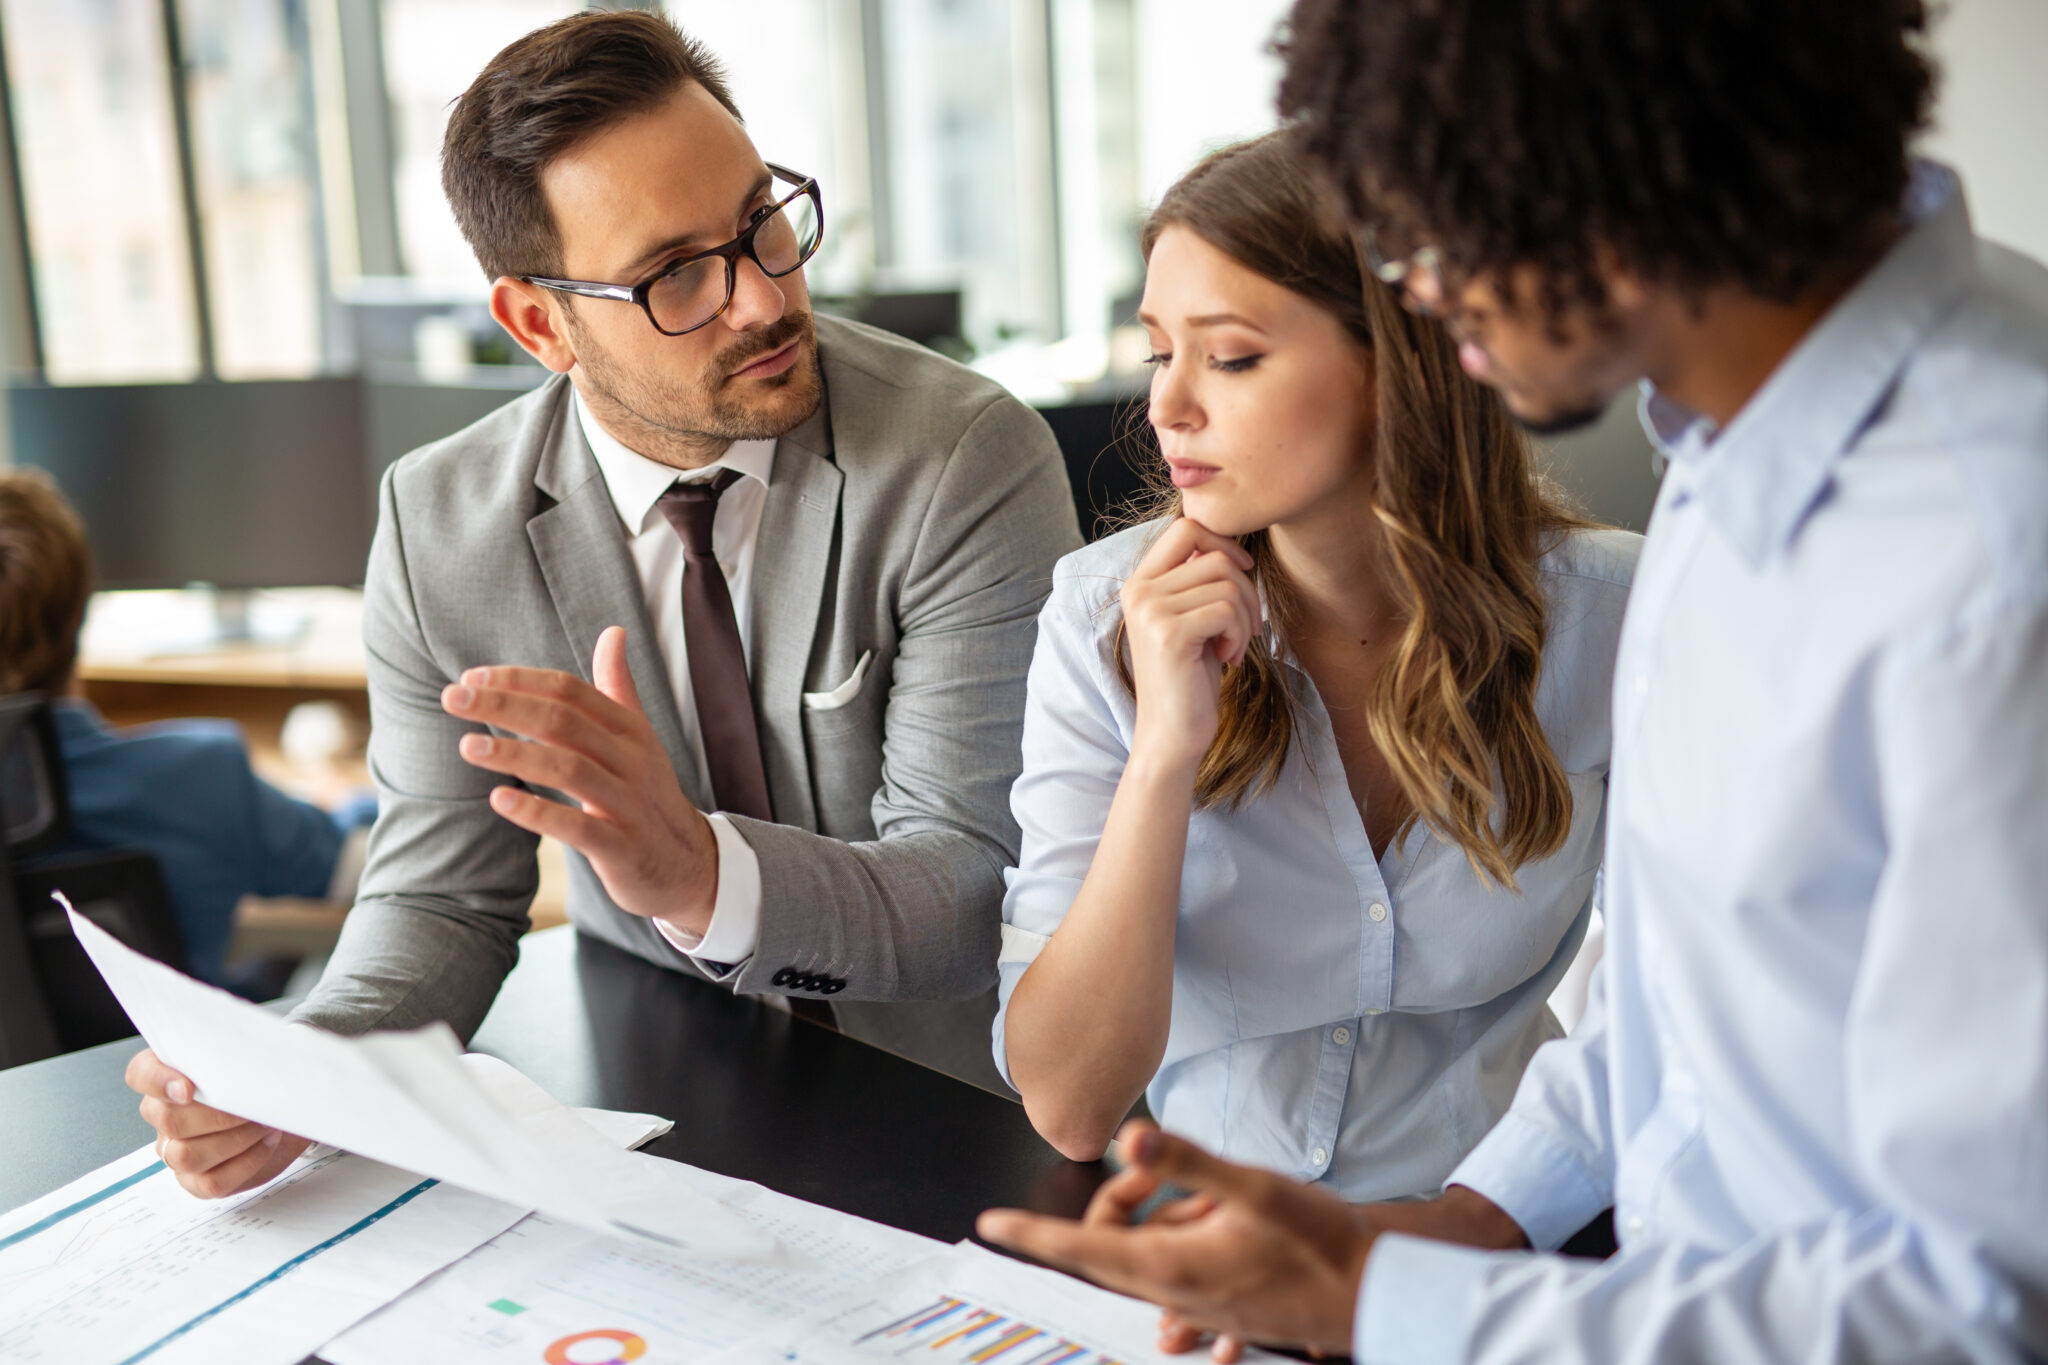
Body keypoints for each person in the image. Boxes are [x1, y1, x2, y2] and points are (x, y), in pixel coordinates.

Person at [979, 1, 2048, 1360]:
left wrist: (1403, 1304)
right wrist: (1460, 1229)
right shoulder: (1733, 457)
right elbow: (1671, 1013)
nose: (1422, 289)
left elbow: (1980, 1301)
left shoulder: (1989, 554)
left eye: (1435, 225)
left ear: (1586, 169)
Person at [127, 9, 1080, 1200]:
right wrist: (311, 1071)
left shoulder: (963, 458)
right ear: (539, 324)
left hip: (962, 1106)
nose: (760, 301)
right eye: (675, 272)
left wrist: (693, 871)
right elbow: (440, 895)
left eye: (760, 223)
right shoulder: (438, 525)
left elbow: (970, 889)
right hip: (667, 1098)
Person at [994, 133, 1639, 1206]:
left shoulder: (1614, 618)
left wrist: (1476, 1241)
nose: (1166, 407)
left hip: (1510, 1235)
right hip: (1203, 1255)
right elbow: (1068, 1103)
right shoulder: (1099, 620)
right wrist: (1163, 754)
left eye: (1230, 356)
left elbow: (1681, 1013)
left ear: (1403, 366)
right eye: (1160, 353)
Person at [0, 468, 373, 989]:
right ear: (78, 615)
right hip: (177, 1067)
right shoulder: (199, 776)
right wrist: (347, 798)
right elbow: (358, 864)